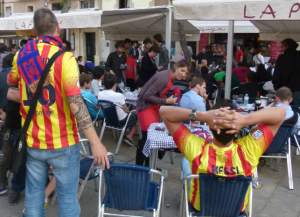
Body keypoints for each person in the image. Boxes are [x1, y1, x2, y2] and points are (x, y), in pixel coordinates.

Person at [7, 8, 109, 217]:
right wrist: (96, 142)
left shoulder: (21, 55)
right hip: (63, 142)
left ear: (34, 32)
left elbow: (11, 81)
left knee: (34, 197)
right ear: (58, 28)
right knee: (67, 201)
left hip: (33, 141)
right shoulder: (66, 58)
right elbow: (75, 102)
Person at [160, 99, 286, 213]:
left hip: (201, 209)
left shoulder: (196, 149)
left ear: (209, 127)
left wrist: (202, 116)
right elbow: (281, 113)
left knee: (186, 164)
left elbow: (164, 112)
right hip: (236, 211)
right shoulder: (251, 149)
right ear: (237, 128)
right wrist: (245, 119)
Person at [136, 60, 191, 166]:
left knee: (151, 137)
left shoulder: (170, 77)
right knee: (147, 138)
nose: (183, 74)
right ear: (176, 67)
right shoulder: (164, 78)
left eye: (186, 73)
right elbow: (147, 95)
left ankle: (149, 166)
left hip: (153, 106)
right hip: (145, 107)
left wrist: (166, 100)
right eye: (182, 70)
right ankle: (140, 168)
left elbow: (158, 94)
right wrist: (165, 101)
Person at [98, 74, 138, 146]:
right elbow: (126, 110)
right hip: (120, 121)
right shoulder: (118, 95)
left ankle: (125, 134)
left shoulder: (100, 94)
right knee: (137, 114)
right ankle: (129, 136)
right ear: (114, 85)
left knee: (128, 117)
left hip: (108, 120)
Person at [272, 38, 300, 107]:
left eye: (282, 47)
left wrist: (276, 87)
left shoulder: (282, 57)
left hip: (284, 89)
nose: (281, 49)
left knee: (284, 110)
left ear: (287, 47)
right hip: (297, 88)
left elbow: (277, 73)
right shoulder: (299, 55)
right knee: (297, 109)